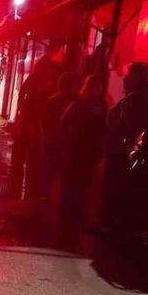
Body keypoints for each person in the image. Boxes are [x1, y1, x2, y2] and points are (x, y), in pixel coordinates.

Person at [101, 62, 148, 231]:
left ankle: (109, 224)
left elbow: (123, 125)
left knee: (113, 186)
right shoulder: (146, 98)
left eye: (128, 76)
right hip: (126, 149)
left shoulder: (135, 100)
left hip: (121, 150)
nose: (125, 79)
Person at [12, 49, 63, 199]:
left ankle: (23, 166)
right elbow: (23, 94)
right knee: (30, 140)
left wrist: (20, 109)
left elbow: (22, 93)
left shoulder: (36, 78)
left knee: (29, 139)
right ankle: (27, 168)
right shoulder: (44, 79)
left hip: (36, 113)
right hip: (35, 113)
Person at [59, 75, 108, 226]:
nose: (95, 90)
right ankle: (69, 208)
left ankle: (76, 208)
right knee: (74, 178)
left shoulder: (99, 105)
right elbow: (65, 122)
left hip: (90, 148)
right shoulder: (82, 104)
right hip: (78, 147)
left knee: (83, 179)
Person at [42, 72, 80, 197]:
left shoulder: (53, 100)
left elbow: (45, 122)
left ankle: (47, 195)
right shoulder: (78, 101)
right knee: (66, 172)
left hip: (54, 141)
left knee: (50, 171)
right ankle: (64, 197)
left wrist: (46, 138)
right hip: (69, 143)